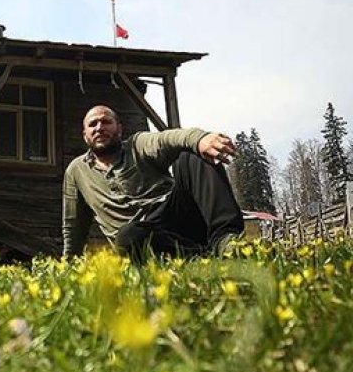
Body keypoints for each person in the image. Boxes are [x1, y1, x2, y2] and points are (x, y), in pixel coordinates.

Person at [62, 105, 244, 261]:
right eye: (93, 124)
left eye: (106, 122)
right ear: (85, 135)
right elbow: (73, 224)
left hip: (176, 213)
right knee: (128, 236)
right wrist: (69, 262)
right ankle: (200, 254)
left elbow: (168, 139)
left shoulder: (137, 145)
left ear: (119, 129)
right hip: (143, 236)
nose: (99, 128)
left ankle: (226, 240)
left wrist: (200, 139)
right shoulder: (76, 171)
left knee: (191, 153)